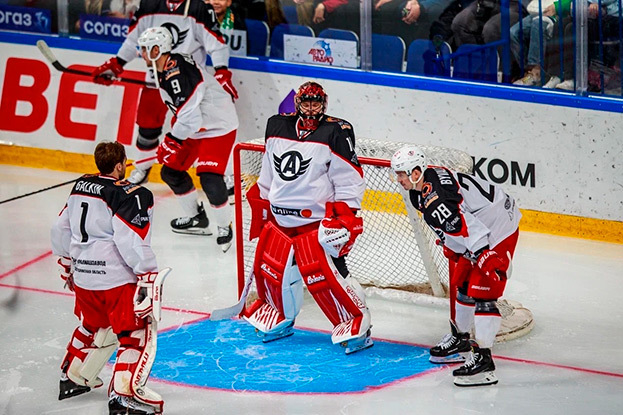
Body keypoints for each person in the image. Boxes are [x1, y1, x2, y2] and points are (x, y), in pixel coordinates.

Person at [242, 81, 373, 354]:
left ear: (323, 103)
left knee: (329, 276)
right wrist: (262, 200)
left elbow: (349, 179)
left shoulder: (336, 130)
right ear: (297, 103)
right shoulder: (277, 125)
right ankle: (280, 316)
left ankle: (357, 321)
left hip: (315, 224)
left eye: (316, 102)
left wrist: (346, 216)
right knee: (273, 273)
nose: (311, 107)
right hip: (280, 222)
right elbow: (269, 170)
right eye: (306, 102)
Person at [51, 141, 167, 414]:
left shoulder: (80, 186)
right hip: (115, 279)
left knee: (93, 325)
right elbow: (130, 241)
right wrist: (147, 273)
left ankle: (72, 377)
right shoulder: (131, 194)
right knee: (134, 334)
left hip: (84, 278)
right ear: (119, 165)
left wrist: (68, 263)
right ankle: (124, 398)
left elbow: (60, 227)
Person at [391, 145, 521, 386]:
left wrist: (484, 254)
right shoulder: (420, 191)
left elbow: (466, 225)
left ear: (417, 173)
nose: (398, 179)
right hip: (481, 221)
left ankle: (484, 362)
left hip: (499, 223)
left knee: (484, 288)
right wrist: (458, 249)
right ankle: (461, 340)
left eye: (402, 173)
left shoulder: (435, 196)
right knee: (462, 280)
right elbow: (453, 224)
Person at [91, 0, 239, 186]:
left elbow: (217, 45)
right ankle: (142, 170)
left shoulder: (198, 7)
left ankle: (222, 172)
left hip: (189, 85)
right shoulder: (148, 5)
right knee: (147, 127)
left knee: (208, 128)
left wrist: (222, 72)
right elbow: (132, 41)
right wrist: (116, 65)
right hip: (157, 82)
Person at [137, 27, 238, 251]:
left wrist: (171, 141)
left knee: (210, 178)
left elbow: (191, 118)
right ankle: (197, 219)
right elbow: (187, 117)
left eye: (144, 49)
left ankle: (224, 226)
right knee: (170, 171)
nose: (141, 54)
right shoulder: (164, 67)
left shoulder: (177, 74)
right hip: (195, 126)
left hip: (217, 126)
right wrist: (171, 141)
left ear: (156, 50)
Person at [511, 0, 571, 87]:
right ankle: (530, 71)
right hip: (541, 8)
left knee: (538, 25)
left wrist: (558, 7)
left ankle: (537, 72)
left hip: (562, 12)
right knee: (514, 33)